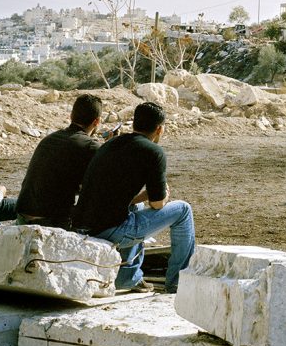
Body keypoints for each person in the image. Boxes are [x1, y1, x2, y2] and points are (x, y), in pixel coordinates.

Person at [73, 101, 195, 293]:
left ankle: (128, 277)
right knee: (183, 210)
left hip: (83, 224)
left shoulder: (110, 144)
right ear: (160, 129)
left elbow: (112, 195)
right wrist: (160, 196)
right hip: (111, 230)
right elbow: (157, 204)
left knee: (136, 208)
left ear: (134, 124)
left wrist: (143, 197)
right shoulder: (154, 152)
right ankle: (177, 283)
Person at [15, 93, 111, 229]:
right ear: (97, 122)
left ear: (71, 116)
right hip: (51, 221)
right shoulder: (90, 146)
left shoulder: (49, 139)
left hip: (22, 215)